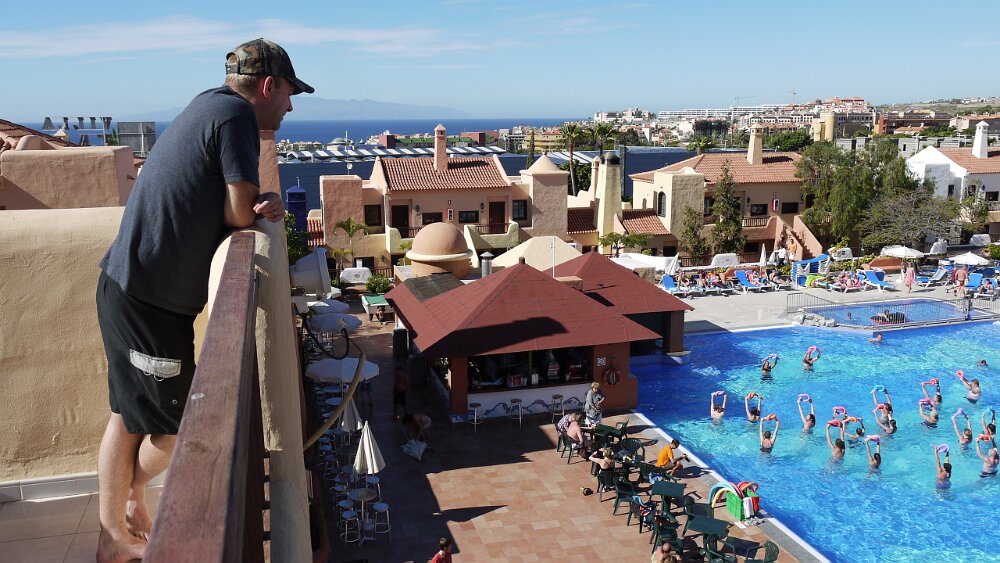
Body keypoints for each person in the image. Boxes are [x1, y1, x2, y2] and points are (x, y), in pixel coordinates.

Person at [94, 38, 311, 563]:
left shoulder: (207, 103)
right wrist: (266, 203)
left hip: (133, 289)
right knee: (175, 429)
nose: (290, 106)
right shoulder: (236, 117)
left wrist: (253, 202)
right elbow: (239, 213)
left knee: (129, 415)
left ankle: (119, 522)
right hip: (149, 300)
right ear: (268, 86)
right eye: (289, 93)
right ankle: (115, 532)